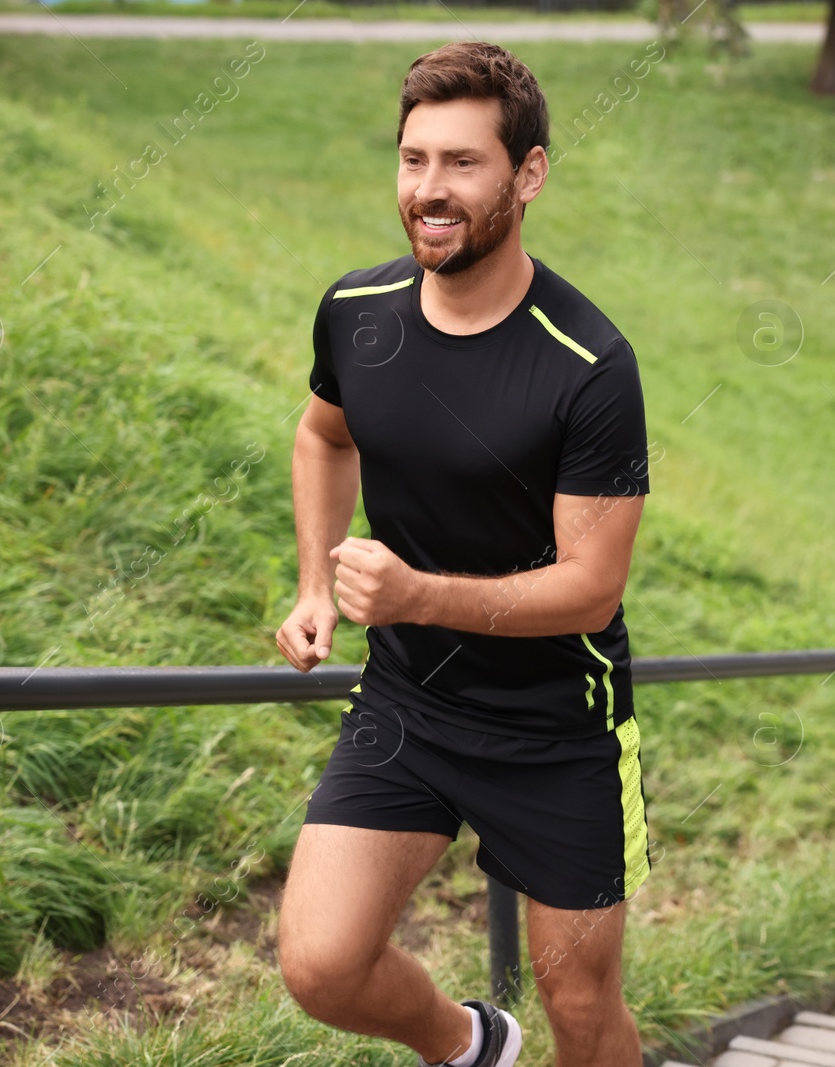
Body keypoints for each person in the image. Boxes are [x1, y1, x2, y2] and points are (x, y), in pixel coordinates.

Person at [273, 41, 654, 1067]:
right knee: (320, 962)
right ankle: (471, 1043)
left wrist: (413, 593)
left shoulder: (589, 364)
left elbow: (589, 588)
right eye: (412, 159)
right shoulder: (357, 314)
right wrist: (316, 580)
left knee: (581, 1005)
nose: (428, 191)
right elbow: (323, 433)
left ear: (526, 174)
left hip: (556, 730)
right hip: (408, 707)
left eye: (461, 163)